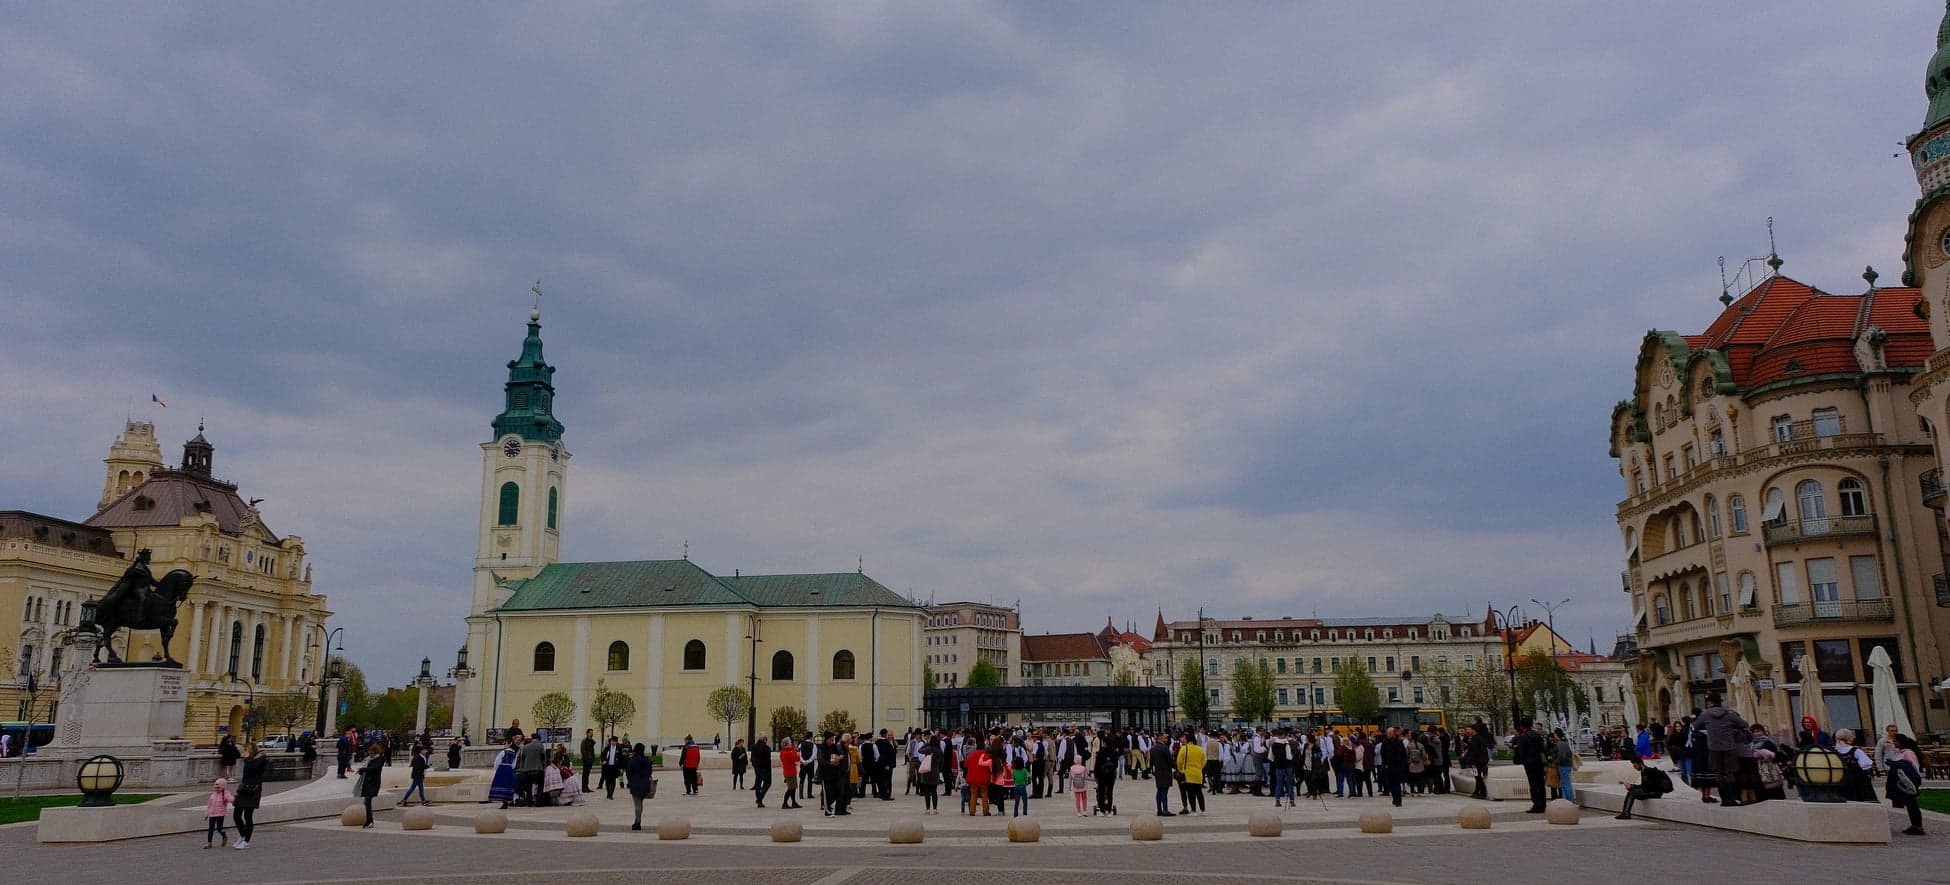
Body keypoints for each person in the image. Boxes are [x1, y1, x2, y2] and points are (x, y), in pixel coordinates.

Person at [1696, 693, 1748, 807]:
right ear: (1720, 702)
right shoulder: (1730, 714)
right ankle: (1733, 798)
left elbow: (1696, 726)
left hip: (1714, 748)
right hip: (1729, 747)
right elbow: (1744, 724)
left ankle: (1724, 800)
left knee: (1718, 773)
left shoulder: (1705, 714)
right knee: (1730, 773)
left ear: (1709, 702)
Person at [1886, 733, 1926, 836]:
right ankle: (1915, 825)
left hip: (1909, 781)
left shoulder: (1908, 753)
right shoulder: (1899, 752)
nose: (1894, 743)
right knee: (1909, 804)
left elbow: (1914, 766)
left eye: (1895, 741)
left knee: (1912, 803)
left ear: (1901, 742)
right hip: (1902, 782)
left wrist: (1912, 780)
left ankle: (1918, 826)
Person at [1613, 755, 1674, 820]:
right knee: (1632, 791)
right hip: (1651, 791)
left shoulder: (1650, 772)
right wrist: (1632, 786)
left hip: (1655, 793)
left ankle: (1626, 813)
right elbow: (1645, 786)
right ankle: (1625, 813)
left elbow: (1647, 787)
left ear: (1640, 764)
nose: (1634, 768)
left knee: (1631, 793)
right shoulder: (1644, 772)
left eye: (1635, 766)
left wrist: (1632, 787)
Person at [1511, 719, 1546, 813]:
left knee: (1533, 784)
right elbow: (1542, 749)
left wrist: (1521, 760)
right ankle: (1543, 804)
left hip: (1529, 763)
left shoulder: (1522, 737)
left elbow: (1522, 752)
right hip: (1539, 762)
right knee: (1540, 783)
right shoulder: (1537, 735)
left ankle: (1536, 805)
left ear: (1522, 727)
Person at [1834, 730, 1879, 802]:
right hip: (1856, 783)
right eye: (1851, 736)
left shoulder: (1834, 751)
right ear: (1847, 738)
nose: (1854, 737)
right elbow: (1866, 765)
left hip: (1839, 781)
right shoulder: (1856, 751)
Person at [1174, 731, 1206, 816]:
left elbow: (1179, 762)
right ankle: (1203, 810)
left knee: (1191, 793)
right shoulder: (1199, 749)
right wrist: (1199, 768)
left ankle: (1193, 810)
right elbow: (1204, 761)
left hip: (1188, 774)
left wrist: (1181, 770)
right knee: (1199, 792)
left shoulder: (1184, 748)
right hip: (1198, 774)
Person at [625, 742, 655, 830]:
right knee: (640, 803)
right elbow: (650, 772)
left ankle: (637, 823)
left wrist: (630, 781)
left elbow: (628, 773)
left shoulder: (632, 760)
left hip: (635, 784)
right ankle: (638, 820)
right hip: (645, 784)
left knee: (637, 804)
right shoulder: (647, 760)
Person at [823, 733, 853, 816]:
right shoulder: (839, 746)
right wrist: (840, 758)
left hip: (845, 772)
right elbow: (836, 757)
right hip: (840, 772)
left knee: (847, 791)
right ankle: (837, 809)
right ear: (847, 740)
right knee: (841, 791)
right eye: (850, 740)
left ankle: (842, 808)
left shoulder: (845, 746)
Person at [357, 741, 385, 828]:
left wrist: (363, 769)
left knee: (367, 801)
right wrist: (362, 770)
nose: (370, 754)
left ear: (376, 752)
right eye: (369, 752)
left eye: (372, 753)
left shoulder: (380, 759)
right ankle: (370, 821)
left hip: (373, 783)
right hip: (368, 782)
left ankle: (369, 821)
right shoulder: (369, 759)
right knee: (366, 801)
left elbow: (375, 769)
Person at [962, 738, 993, 816]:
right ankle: (985, 811)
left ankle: (972, 811)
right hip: (984, 778)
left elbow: (965, 765)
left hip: (973, 778)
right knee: (984, 795)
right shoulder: (987, 755)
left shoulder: (971, 755)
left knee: (973, 795)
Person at [916, 734, 945, 814]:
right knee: (934, 791)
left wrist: (927, 743)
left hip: (927, 771)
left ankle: (928, 809)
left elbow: (920, 750)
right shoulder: (939, 751)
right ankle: (935, 809)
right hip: (935, 772)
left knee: (927, 792)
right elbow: (942, 763)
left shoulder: (929, 749)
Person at [203, 777, 233, 848]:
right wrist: (207, 814)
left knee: (219, 828)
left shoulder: (225, 794)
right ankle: (209, 843)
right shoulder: (213, 795)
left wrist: (232, 798)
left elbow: (231, 799)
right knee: (210, 828)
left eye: (218, 787)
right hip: (212, 814)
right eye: (215, 787)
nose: (216, 789)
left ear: (223, 787)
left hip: (220, 814)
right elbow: (209, 806)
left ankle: (224, 836)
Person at [488, 739, 518, 808]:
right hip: (509, 770)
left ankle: (503, 800)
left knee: (501, 784)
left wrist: (495, 769)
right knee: (507, 785)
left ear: (509, 744)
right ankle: (506, 800)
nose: (505, 744)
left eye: (506, 743)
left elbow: (497, 761)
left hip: (502, 768)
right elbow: (514, 764)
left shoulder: (503, 752)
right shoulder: (514, 753)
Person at [1550, 728, 1577, 804]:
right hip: (1566, 765)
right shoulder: (1564, 742)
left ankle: (1569, 799)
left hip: (1563, 765)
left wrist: (1555, 762)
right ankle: (1565, 799)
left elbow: (1562, 756)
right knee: (1564, 783)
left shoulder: (1560, 743)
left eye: (1554, 734)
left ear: (1556, 734)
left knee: (1566, 783)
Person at [779, 737, 803, 810]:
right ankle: (785, 803)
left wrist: (793, 748)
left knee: (793, 788)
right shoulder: (787, 753)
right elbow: (796, 758)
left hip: (789, 772)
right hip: (790, 772)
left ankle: (793, 802)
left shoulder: (784, 752)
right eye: (790, 743)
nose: (791, 744)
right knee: (790, 788)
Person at [751, 736, 773, 807]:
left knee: (758, 784)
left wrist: (755, 765)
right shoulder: (766, 748)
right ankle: (760, 798)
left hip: (757, 768)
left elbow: (752, 758)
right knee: (767, 783)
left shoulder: (753, 747)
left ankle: (759, 799)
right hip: (765, 768)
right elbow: (768, 759)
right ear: (764, 740)